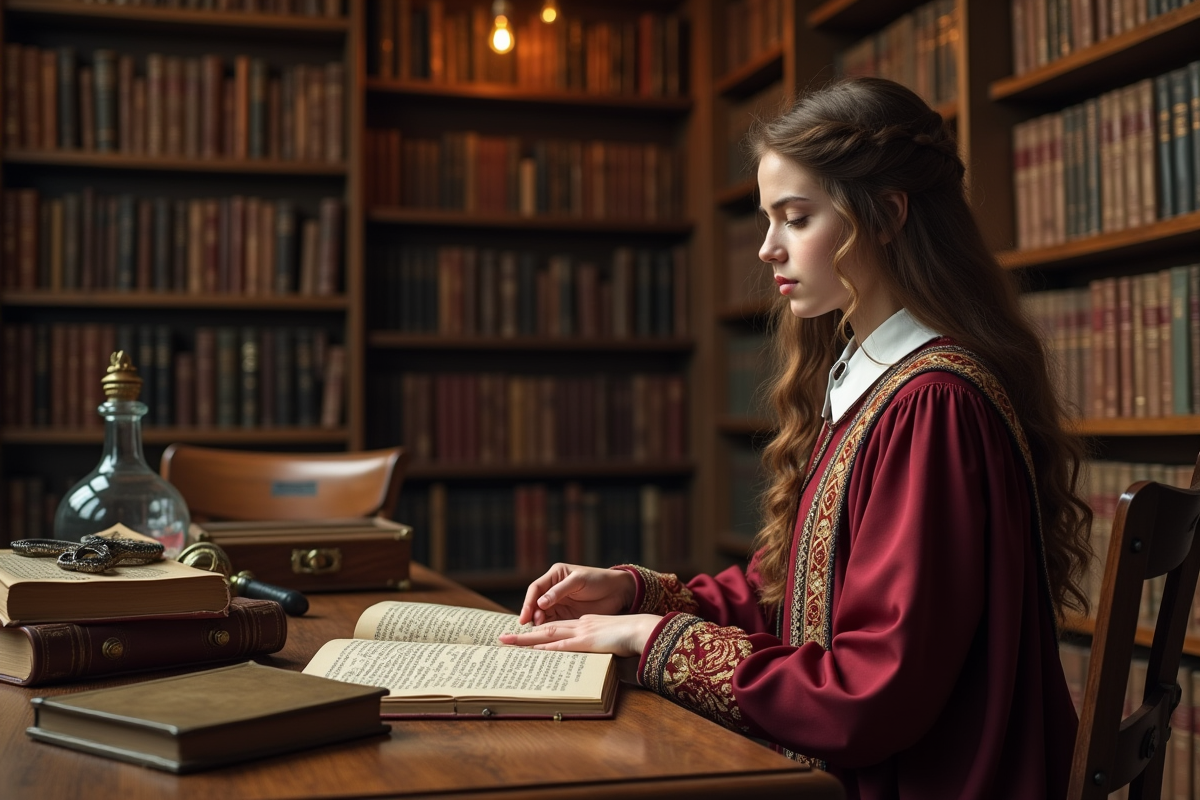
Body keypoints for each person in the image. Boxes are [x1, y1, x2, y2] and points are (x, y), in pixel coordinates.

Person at [499, 76, 1091, 800]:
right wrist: (632, 593)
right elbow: (801, 596)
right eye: (768, 220)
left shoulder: (932, 405)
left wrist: (650, 642)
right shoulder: (880, 384)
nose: (768, 249)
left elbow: (871, 692)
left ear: (886, 216)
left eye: (797, 218)